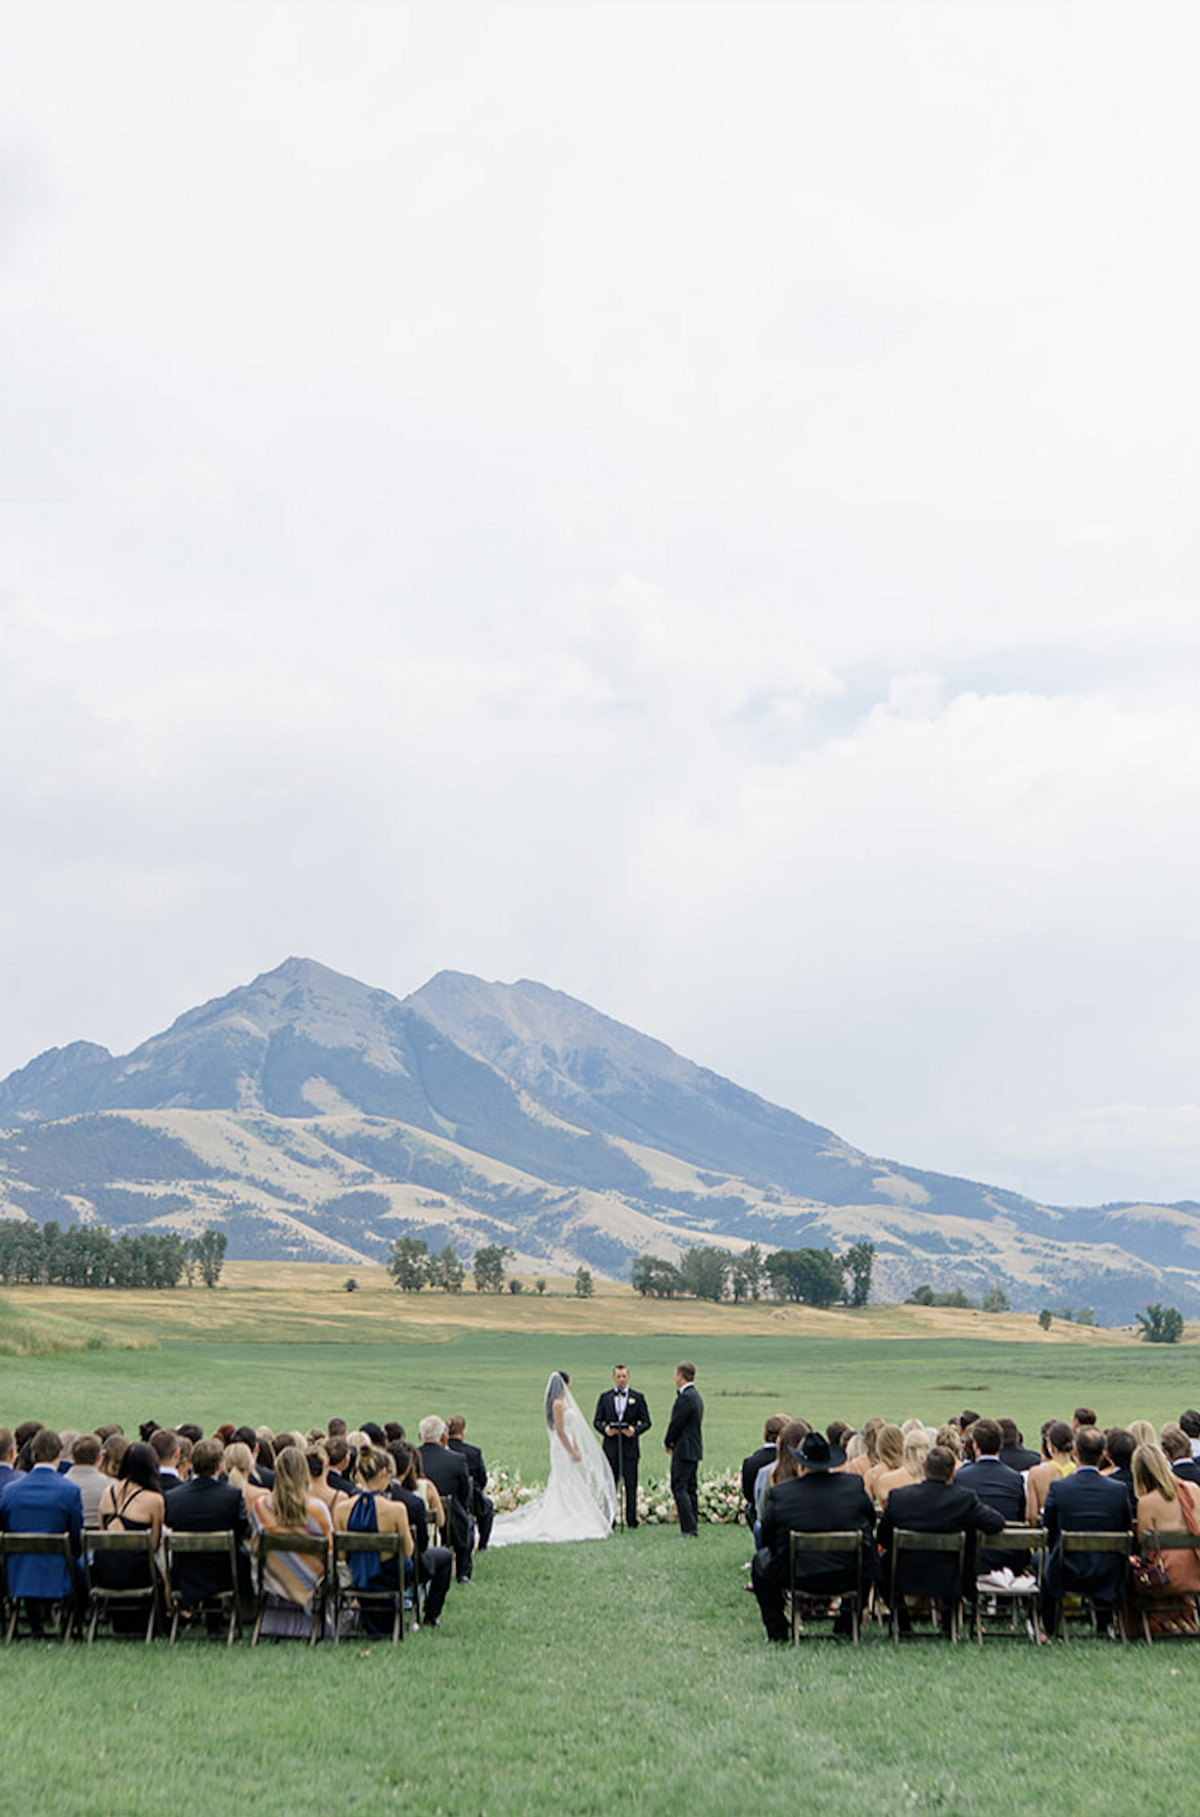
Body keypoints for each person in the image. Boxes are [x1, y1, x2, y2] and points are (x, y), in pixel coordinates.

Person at [750, 1427, 877, 1642]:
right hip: (847, 1574)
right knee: (867, 1557)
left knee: (759, 1563)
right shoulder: (853, 1486)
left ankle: (777, 1631)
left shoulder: (782, 1494)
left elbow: (768, 1538)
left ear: (801, 1465)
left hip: (797, 1575)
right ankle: (846, 1624)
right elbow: (870, 1521)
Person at [877, 1446, 1005, 1633]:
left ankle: (902, 1623)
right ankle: (948, 1623)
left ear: (923, 1466)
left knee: (882, 1563)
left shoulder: (900, 1498)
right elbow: (995, 1522)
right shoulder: (963, 1499)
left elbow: (883, 1537)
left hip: (905, 1572)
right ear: (953, 1473)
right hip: (950, 1574)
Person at [490, 1371, 616, 1546]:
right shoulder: (557, 1404)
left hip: (569, 1443)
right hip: (561, 1447)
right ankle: (561, 1515)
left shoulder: (563, 1402)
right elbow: (560, 1430)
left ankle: (571, 1514)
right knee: (562, 1480)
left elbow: (571, 1429)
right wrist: (571, 1450)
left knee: (572, 1480)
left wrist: (577, 1447)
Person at [1041, 1427, 1135, 1637]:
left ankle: (1049, 1627)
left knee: (1043, 1559)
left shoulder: (1059, 1488)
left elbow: (1049, 1529)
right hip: (1109, 1571)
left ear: (1075, 1451)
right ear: (1103, 1455)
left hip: (1068, 1570)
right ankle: (1103, 1623)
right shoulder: (1118, 1490)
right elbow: (1126, 1528)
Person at [0, 1428, 83, 1635]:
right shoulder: (69, 1490)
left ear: (32, 1454)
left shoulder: (10, 1490)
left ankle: (35, 1624)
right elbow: (75, 1536)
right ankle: (72, 1624)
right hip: (58, 1567)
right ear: (58, 1454)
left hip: (17, 1568)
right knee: (81, 1568)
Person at [249, 1445, 334, 1634]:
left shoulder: (261, 1507)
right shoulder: (317, 1510)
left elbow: (256, 1548)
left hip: (273, 1579)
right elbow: (330, 1553)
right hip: (311, 1582)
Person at [331, 1446, 413, 1635]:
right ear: (383, 1472)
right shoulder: (396, 1510)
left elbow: (341, 1554)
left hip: (356, 1577)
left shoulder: (342, 1509)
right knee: (407, 1565)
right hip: (386, 1577)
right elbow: (408, 1551)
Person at [164, 1437, 253, 1608]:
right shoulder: (232, 1496)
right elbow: (242, 1528)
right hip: (225, 1574)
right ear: (220, 1466)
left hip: (187, 1574)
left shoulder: (173, 1497)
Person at [1131, 1441, 1200, 1634]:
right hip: (1196, 1571)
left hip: (1167, 1579)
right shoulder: (1194, 1489)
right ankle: (1179, 1618)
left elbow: (1145, 1548)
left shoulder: (1146, 1502)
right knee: (1168, 1563)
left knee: (1143, 1567)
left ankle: (1166, 1620)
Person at [593, 1364, 652, 1529]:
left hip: (630, 1448)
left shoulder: (638, 1397)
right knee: (609, 1484)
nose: (621, 1379)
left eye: (624, 1376)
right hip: (611, 1448)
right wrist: (605, 1430)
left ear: (629, 1377)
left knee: (631, 1485)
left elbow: (647, 1422)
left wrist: (634, 1430)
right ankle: (609, 1519)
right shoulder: (604, 1397)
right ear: (613, 1378)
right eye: (618, 1376)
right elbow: (597, 1421)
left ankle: (631, 1520)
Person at [417, 1417, 475, 1583]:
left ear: (420, 1436)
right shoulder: (457, 1460)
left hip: (419, 1515)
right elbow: (465, 1494)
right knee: (465, 1522)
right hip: (451, 1519)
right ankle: (463, 1573)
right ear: (444, 1438)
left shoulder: (413, 1456)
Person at [664, 1361, 704, 1537]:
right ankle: (692, 1522)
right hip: (694, 1448)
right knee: (690, 1488)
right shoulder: (696, 1396)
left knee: (679, 1486)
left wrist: (668, 1441)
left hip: (684, 1448)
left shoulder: (685, 1397)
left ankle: (688, 1528)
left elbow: (677, 1423)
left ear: (680, 1375)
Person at [447, 1415, 495, 1551]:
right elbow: (482, 1479)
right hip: (471, 1497)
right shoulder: (474, 1453)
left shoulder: (444, 1450)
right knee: (487, 1507)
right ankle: (483, 1544)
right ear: (463, 1432)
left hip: (445, 1496)